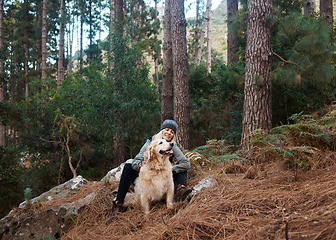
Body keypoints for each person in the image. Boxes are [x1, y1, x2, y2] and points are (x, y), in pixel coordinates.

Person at [106, 120, 192, 222]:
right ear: (161, 131)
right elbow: (136, 161)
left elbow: (186, 163)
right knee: (128, 166)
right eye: (167, 129)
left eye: (172, 132)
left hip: (165, 173)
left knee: (183, 168)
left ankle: (180, 191)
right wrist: (140, 164)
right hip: (149, 173)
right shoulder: (150, 143)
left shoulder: (172, 145)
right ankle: (118, 204)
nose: (169, 133)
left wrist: (172, 168)